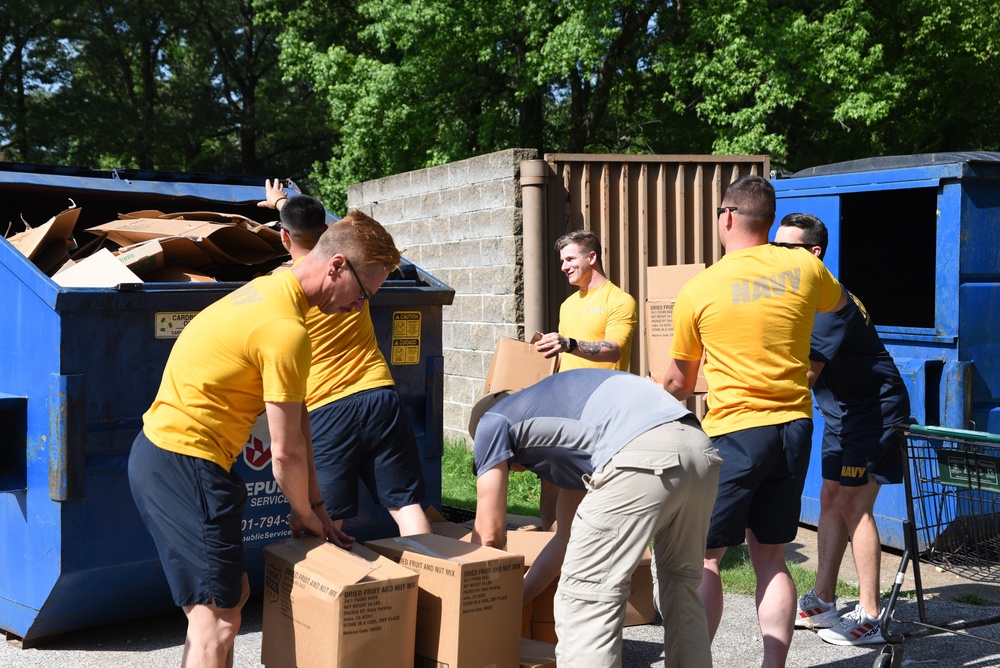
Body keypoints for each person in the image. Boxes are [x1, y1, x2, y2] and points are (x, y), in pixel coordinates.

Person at [128, 206, 401, 668]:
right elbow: (286, 453)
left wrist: (316, 510)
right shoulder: (286, 330)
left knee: (226, 602)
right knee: (217, 620)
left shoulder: (273, 290)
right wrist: (302, 515)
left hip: (172, 457)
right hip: (185, 460)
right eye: (363, 292)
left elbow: (301, 431)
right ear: (337, 265)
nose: (360, 306)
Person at [662, 174, 847, 668]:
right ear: (768, 221)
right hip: (795, 427)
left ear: (726, 217)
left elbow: (679, 384)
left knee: (707, 558)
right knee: (771, 556)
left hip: (736, 431)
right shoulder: (804, 268)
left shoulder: (700, 287)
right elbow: (841, 309)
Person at [470, 369, 721, 668]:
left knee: (587, 601)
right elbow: (565, 539)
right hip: (700, 449)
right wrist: (514, 603)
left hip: (639, 452)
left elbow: (488, 535)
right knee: (680, 591)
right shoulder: (563, 419)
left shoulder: (492, 421)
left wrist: (477, 607)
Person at [257, 180, 431, 536]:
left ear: (284, 238)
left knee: (325, 520)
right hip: (379, 393)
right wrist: (282, 203)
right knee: (406, 504)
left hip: (327, 406)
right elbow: (328, 223)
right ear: (326, 234)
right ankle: (434, 581)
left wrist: (281, 209)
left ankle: (330, 589)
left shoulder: (283, 286)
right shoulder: (353, 267)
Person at [774, 213, 912, 646]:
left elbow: (805, 377)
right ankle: (823, 600)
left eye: (788, 250)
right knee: (831, 497)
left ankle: (872, 616)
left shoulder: (828, 306)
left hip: (874, 413)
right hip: (842, 413)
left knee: (855, 505)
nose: (778, 258)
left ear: (814, 255)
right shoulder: (801, 298)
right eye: (774, 249)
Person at [532, 229, 638, 529]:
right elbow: (564, 356)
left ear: (592, 257)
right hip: (563, 404)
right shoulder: (568, 305)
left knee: (591, 481)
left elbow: (614, 350)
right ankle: (544, 538)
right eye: (562, 260)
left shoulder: (620, 301)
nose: (564, 266)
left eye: (570, 258)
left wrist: (570, 343)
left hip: (601, 408)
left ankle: (587, 540)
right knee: (550, 475)